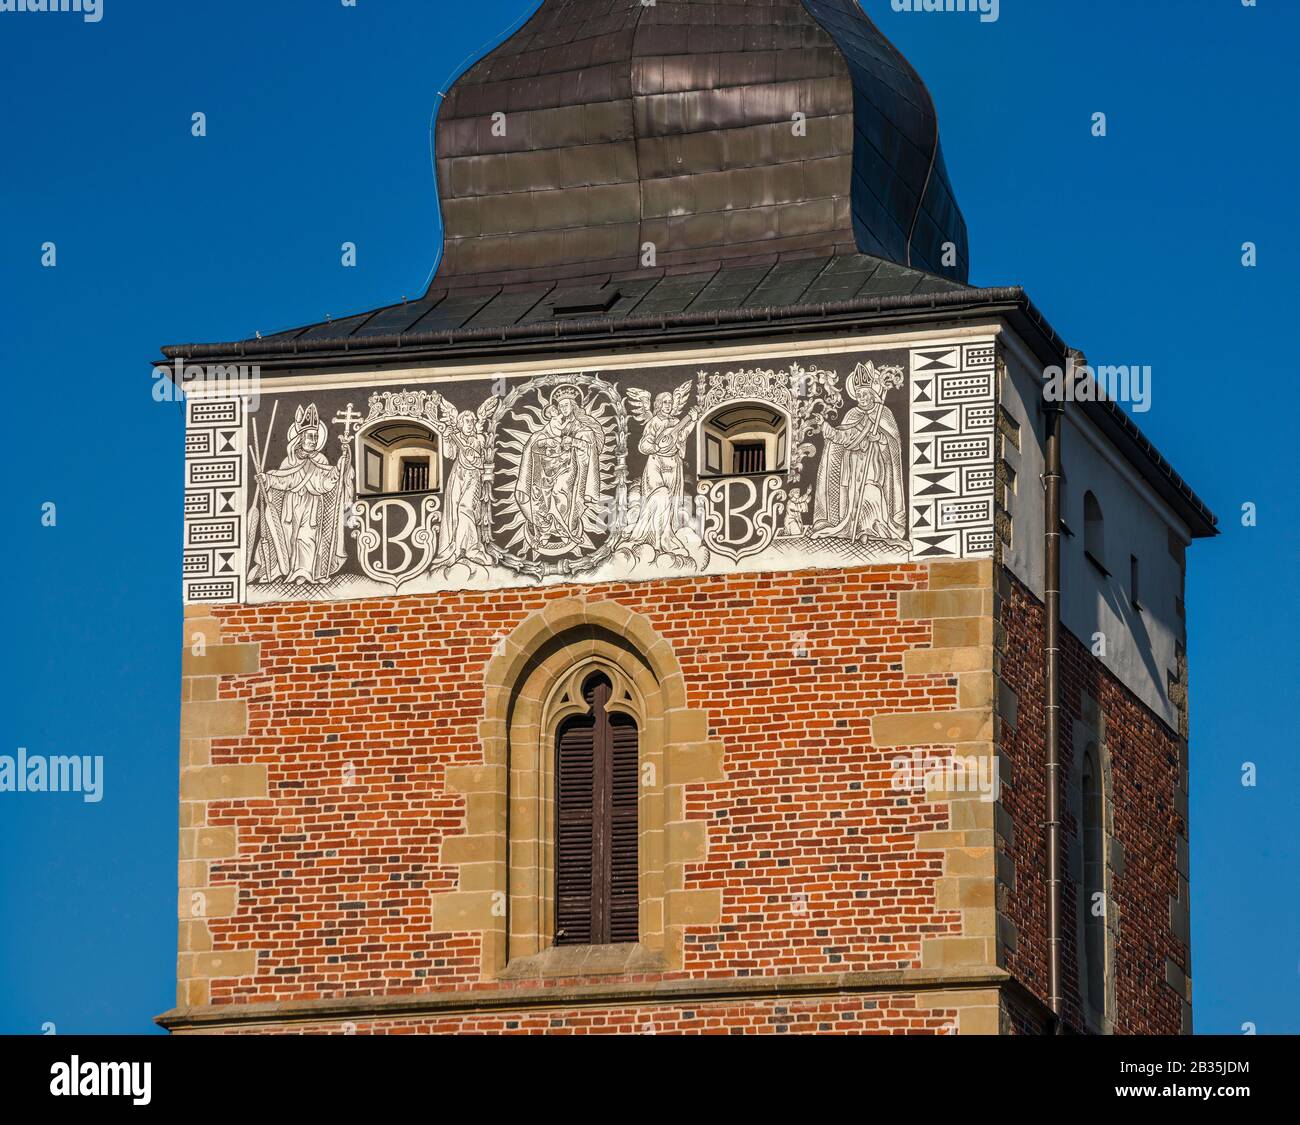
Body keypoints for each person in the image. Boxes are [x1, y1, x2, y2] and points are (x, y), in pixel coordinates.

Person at [811, 362, 906, 544]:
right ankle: (860, 529)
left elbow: (893, 444)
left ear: (872, 395)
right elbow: (841, 436)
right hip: (855, 466)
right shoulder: (853, 414)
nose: (861, 398)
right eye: (858, 395)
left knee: (871, 492)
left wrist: (879, 437)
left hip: (874, 465)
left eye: (864, 394)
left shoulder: (883, 413)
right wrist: (824, 425)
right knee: (856, 497)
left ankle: (875, 527)